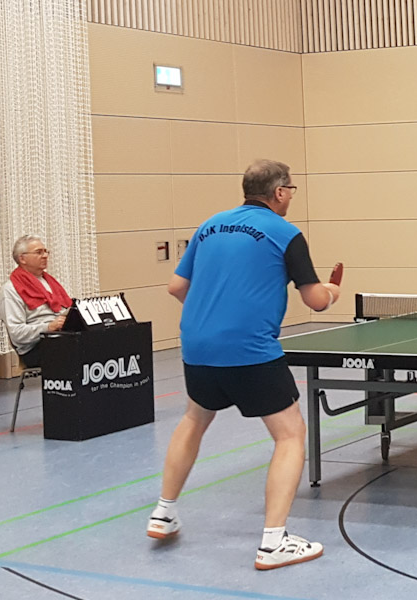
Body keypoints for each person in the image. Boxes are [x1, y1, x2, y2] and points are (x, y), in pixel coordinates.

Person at [147, 159, 340, 571]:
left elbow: (176, 286)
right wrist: (332, 291)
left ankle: (163, 512)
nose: (291, 197)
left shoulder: (210, 225)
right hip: (250, 349)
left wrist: (214, 314)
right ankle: (273, 542)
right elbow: (315, 301)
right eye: (291, 190)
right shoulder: (286, 233)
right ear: (280, 192)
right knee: (290, 435)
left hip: (197, 346)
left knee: (194, 419)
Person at [0, 235, 71, 367]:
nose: (45, 256)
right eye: (39, 252)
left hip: (61, 338)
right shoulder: (11, 289)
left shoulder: (50, 282)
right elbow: (17, 334)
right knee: (84, 350)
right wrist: (48, 327)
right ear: (22, 258)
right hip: (36, 348)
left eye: (46, 251)